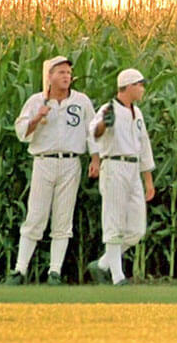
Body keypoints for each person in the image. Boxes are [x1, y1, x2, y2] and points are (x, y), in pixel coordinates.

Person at [9, 55, 100, 285]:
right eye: (61, 72)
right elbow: (20, 133)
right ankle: (20, 270)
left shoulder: (81, 101)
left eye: (69, 73)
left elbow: (92, 132)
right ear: (49, 76)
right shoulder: (36, 101)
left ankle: (54, 271)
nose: (66, 76)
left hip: (71, 162)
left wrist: (95, 159)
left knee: (63, 218)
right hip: (43, 161)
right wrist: (37, 118)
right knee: (36, 216)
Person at [87, 68, 156, 286]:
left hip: (133, 169)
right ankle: (118, 277)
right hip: (114, 165)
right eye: (139, 85)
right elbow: (94, 133)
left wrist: (148, 180)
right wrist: (103, 124)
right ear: (128, 86)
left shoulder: (138, 113)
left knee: (136, 229)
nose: (142, 89)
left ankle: (103, 264)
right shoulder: (109, 109)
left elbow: (144, 145)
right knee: (113, 221)